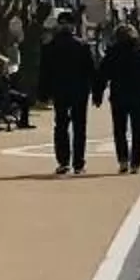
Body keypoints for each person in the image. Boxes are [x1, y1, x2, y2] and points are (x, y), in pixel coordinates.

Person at [37, 14, 102, 174]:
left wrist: (43, 94)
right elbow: (92, 71)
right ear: (73, 26)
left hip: (60, 91)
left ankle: (63, 161)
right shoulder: (82, 46)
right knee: (79, 127)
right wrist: (96, 92)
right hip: (80, 91)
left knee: (61, 126)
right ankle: (78, 163)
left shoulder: (50, 46)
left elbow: (44, 73)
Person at [103, 24, 140, 174]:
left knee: (119, 130)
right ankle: (136, 163)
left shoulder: (113, 53)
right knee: (138, 130)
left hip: (118, 96)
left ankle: (123, 160)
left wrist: (97, 92)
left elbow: (103, 73)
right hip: (138, 97)